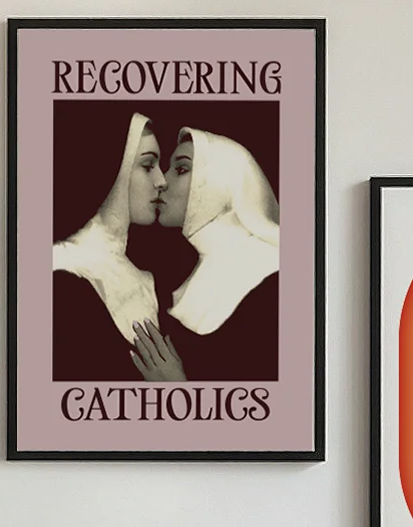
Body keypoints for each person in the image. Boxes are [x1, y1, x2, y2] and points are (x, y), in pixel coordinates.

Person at [128, 126, 280, 384]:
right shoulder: (187, 276)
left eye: (182, 169)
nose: (162, 181)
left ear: (219, 183)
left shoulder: (272, 277)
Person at [51, 114, 165, 380]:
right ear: (116, 169)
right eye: (148, 165)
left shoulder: (147, 280)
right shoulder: (61, 275)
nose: (162, 180)